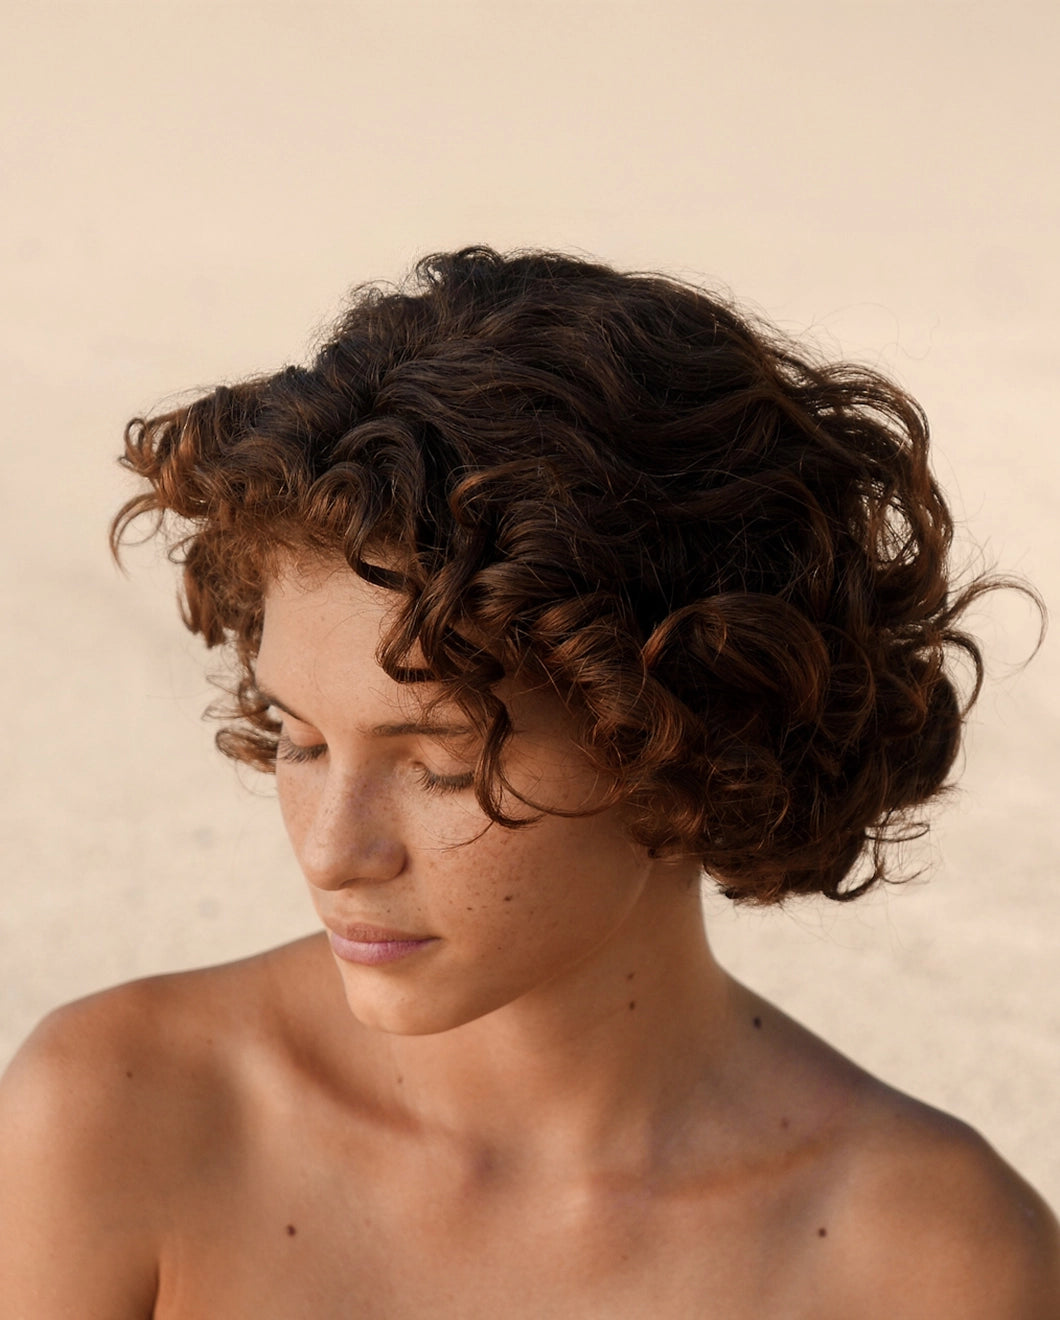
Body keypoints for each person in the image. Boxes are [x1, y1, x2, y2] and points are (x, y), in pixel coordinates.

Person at [1, 247, 1057, 1318]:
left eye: (441, 766)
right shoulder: (115, 1114)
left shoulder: (932, 1266)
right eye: (300, 739)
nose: (330, 853)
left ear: (687, 743)